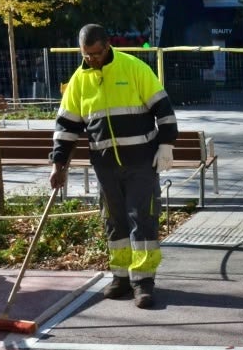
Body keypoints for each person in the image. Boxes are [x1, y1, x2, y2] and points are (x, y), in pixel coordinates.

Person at [49, 24, 178, 309]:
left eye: (95, 54)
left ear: (107, 45)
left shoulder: (134, 68)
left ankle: (143, 283)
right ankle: (120, 277)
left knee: (142, 221)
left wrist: (166, 145)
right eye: (86, 55)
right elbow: (67, 126)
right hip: (105, 166)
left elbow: (164, 110)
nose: (91, 60)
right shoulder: (80, 80)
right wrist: (59, 164)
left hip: (141, 162)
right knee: (114, 221)